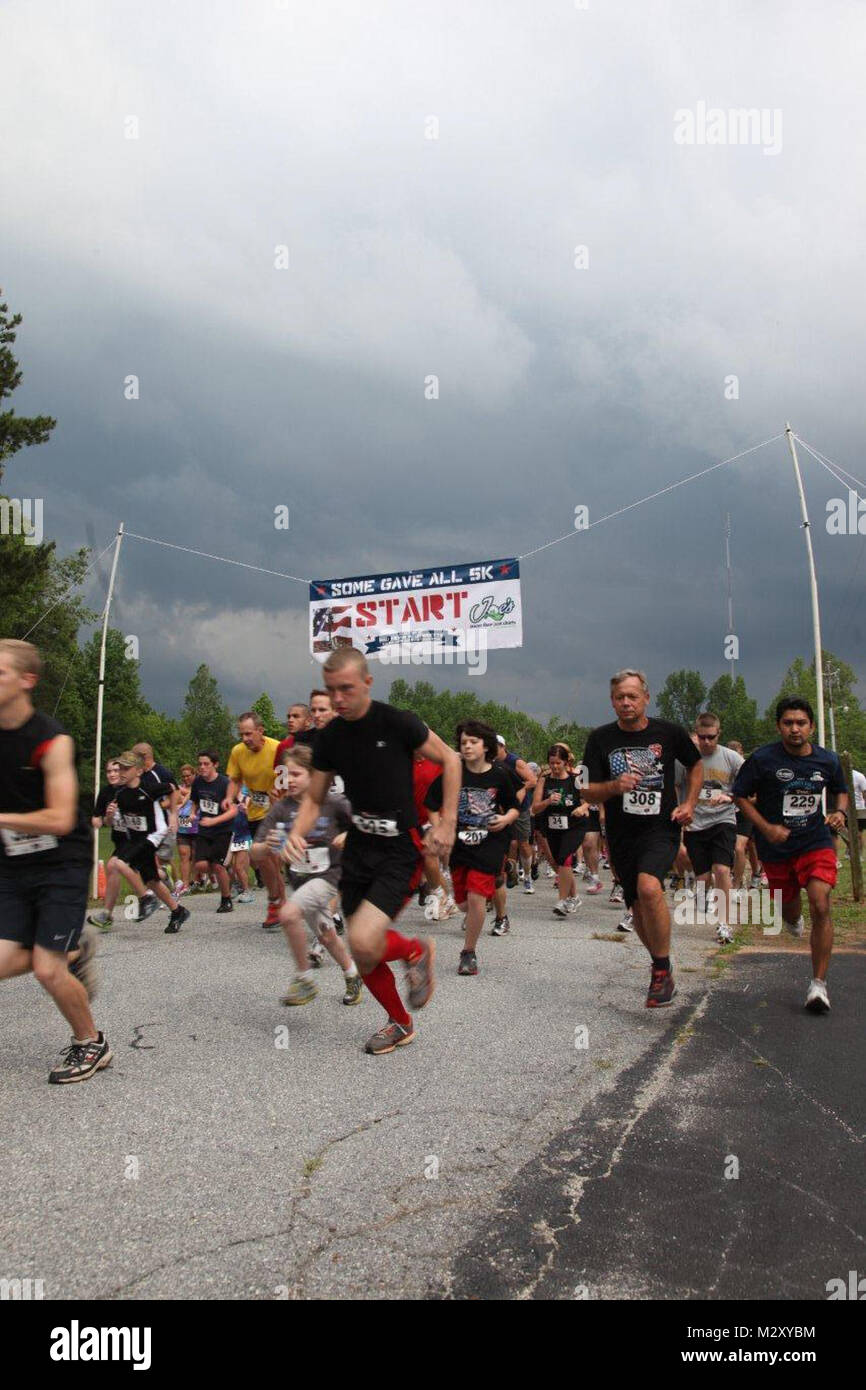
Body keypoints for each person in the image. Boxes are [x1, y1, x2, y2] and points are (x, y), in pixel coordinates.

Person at [286, 648, 461, 1055]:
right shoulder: (330, 738)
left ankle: (415, 950)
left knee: (363, 940)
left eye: (346, 689)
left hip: (399, 850)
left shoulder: (397, 722)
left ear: (367, 682)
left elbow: (450, 760)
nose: (338, 699)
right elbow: (313, 798)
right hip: (360, 850)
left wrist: (447, 821)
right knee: (364, 958)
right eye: (331, 691)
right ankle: (400, 1023)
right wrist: (296, 832)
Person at [0, 639, 110, 1084]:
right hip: (11, 864)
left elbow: (62, 818)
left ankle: (91, 1042)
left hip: (61, 862)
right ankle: (73, 948)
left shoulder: (52, 741)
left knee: (47, 968)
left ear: (27, 682)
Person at [582, 669, 701, 1007]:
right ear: (612, 701)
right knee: (636, 904)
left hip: (660, 827)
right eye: (620, 697)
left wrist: (689, 803)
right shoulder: (600, 739)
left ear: (646, 698)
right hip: (622, 833)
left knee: (651, 888)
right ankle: (660, 965)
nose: (626, 702)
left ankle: (661, 969)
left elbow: (695, 765)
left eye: (633, 696)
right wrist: (613, 787)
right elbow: (587, 792)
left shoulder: (669, 732)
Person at [732, 697, 848, 1013]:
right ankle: (792, 918)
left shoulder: (828, 760)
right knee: (790, 908)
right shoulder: (763, 759)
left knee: (821, 902)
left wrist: (839, 811)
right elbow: (739, 796)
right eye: (788, 723)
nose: (794, 729)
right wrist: (765, 828)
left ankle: (818, 986)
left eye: (801, 723)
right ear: (779, 726)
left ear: (810, 726)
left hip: (815, 841)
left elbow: (841, 790)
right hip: (776, 848)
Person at [260, 745, 361, 1006]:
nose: (288, 780)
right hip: (301, 880)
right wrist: (268, 844)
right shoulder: (282, 809)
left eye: (296, 774)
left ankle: (304, 979)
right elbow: (254, 852)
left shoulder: (333, 802)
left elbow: (364, 826)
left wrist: (349, 835)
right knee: (327, 934)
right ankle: (352, 974)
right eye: (285, 774)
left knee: (288, 913)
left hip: (330, 878)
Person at [425, 720, 519, 976]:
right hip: (459, 844)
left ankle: (469, 952)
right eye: (463, 742)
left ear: (486, 745)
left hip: (490, 841)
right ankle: (498, 878)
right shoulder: (453, 773)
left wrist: (506, 819)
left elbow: (514, 806)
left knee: (477, 898)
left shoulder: (500, 774)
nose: (467, 746)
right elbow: (431, 805)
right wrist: (439, 830)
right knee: (464, 903)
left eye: (473, 742)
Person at [108, 751, 191, 933]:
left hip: (153, 835)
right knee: (152, 879)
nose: (121, 772)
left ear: (138, 771)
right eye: (120, 767)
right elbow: (116, 821)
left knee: (118, 863)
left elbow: (173, 788)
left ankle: (146, 898)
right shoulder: (120, 793)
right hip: (136, 838)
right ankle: (178, 911)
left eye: (126, 768)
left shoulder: (149, 788)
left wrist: (174, 816)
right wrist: (109, 815)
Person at [681, 715, 744, 943]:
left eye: (711, 737)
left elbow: (749, 784)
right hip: (695, 824)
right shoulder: (687, 759)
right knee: (703, 876)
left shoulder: (732, 758)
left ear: (719, 734)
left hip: (722, 820)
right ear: (696, 733)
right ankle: (701, 891)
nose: (706, 742)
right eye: (702, 737)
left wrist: (731, 796)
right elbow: (676, 785)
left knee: (722, 870)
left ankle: (724, 923)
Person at [224, 713, 283, 926]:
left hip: (279, 810)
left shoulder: (277, 749)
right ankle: (279, 903)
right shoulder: (238, 751)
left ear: (261, 730)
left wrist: (279, 799)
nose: (245, 738)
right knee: (263, 860)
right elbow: (235, 779)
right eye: (241, 734)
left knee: (268, 858)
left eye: (249, 733)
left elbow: (288, 780)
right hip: (255, 811)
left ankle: (276, 904)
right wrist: (229, 798)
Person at [532, 743, 589, 917]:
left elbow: (590, 799)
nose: (555, 767)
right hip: (553, 826)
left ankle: (562, 900)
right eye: (552, 763)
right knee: (560, 863)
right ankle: (574, 897)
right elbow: (535, 808)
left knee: (565, 858)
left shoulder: (577, 778)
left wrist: (583, 807)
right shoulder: (544, 780)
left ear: (565, 762)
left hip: (574, 825)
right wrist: (548, 801)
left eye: (558, 763)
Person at [189, 751, 237, 913]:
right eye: (200, 764)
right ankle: (226, 870)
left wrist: (214, 821)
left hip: (223, 829)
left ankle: (226, 900)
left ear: (215, 765)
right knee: (200, 865)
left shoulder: (225, 783)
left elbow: (233, 811)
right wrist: (193, 812)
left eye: (206, 764)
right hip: (204, 829)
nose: (202, 767)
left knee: (217, 865)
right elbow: (195, 801)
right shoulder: (197, 782)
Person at [495, 736, 537, 891]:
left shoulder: (515, 762)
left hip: (520, 808)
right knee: (503, 842)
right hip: (500, 808)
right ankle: (506, 873)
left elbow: (532, 780)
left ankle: (527, 876)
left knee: (523, 843)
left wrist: (515, 791)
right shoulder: (490, 761)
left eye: (495, 746)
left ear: (502, 746)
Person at [88, 757, 124, 930]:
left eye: (116, 770)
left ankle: (107, 915)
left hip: (140, 840)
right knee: (113, 867)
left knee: (113, 867)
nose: (112, 774)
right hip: (121, 841)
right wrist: (100, 819)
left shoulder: (130, 788)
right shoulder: (105, 793)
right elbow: (99, 819)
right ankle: (107, 915)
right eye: (109, 771)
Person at [174, 764, 198, 897]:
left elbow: (190, 796)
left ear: (194, 775)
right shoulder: (179, 788)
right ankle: (185, 884)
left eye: (189, 775)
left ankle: (196, 879)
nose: (186, 778)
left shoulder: (198, 788)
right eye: (183, 776)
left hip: (197, 826)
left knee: (195, 855)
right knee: (184, 855)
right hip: (183, 825)